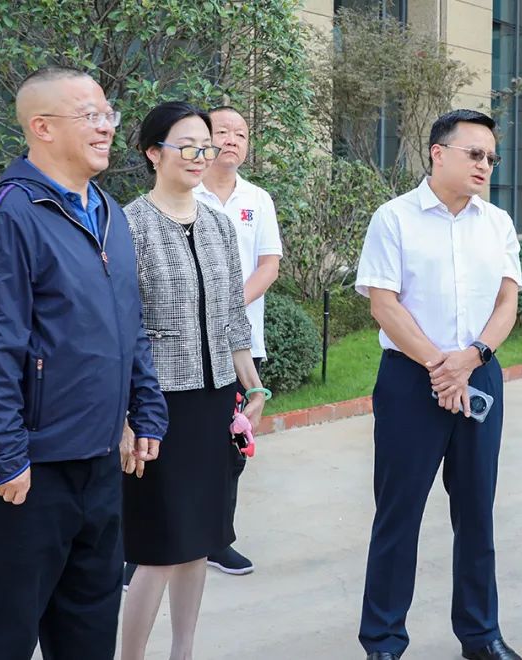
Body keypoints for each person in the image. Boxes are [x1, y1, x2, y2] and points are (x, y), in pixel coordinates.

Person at [0, 66, 168, 660]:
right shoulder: (10, 215)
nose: (106, 127)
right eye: (89, 115)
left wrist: (145, 410)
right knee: (2, 637)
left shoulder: (108, 213)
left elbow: (129, 326)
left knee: (88, 635)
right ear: (41, 128)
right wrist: (4, 457)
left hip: (98, 465)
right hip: (27, 475)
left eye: (108, 114)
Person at [355, 109, 522, 660]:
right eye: (475, 154)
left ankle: (481, 634)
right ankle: (382, 639)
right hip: (411, 380)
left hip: (479, 374)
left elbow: (506, 303)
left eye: (491, 158)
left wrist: (471, 358)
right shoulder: (394, 218)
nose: (485, 165)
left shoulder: (496, 222)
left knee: (476, 512)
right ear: (438, 153)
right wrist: (439, 366)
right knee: (398, 512)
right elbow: (384, 304)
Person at [119, 101, 266, 660]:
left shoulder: (219, 227)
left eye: (206, 147)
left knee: (200, 543)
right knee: (158, 546)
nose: (200, 157)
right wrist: (128, 416)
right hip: (156, 407)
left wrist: (250, 386)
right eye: (187, 146)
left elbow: (233, 314)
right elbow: (122, 327)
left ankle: (183, 651)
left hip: (211, 403)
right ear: (153, 152)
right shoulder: (129, 225)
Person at [193, 105, 283, 576]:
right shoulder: (186, 192)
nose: (232, 139)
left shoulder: (257, 199)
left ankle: (216, 539)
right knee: (170, 444)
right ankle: (141, 548)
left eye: (241, 133)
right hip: (185, 344)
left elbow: (269, 265)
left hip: (242, 346)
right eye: (222, 131)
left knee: (232, 444)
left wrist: (229, 304)